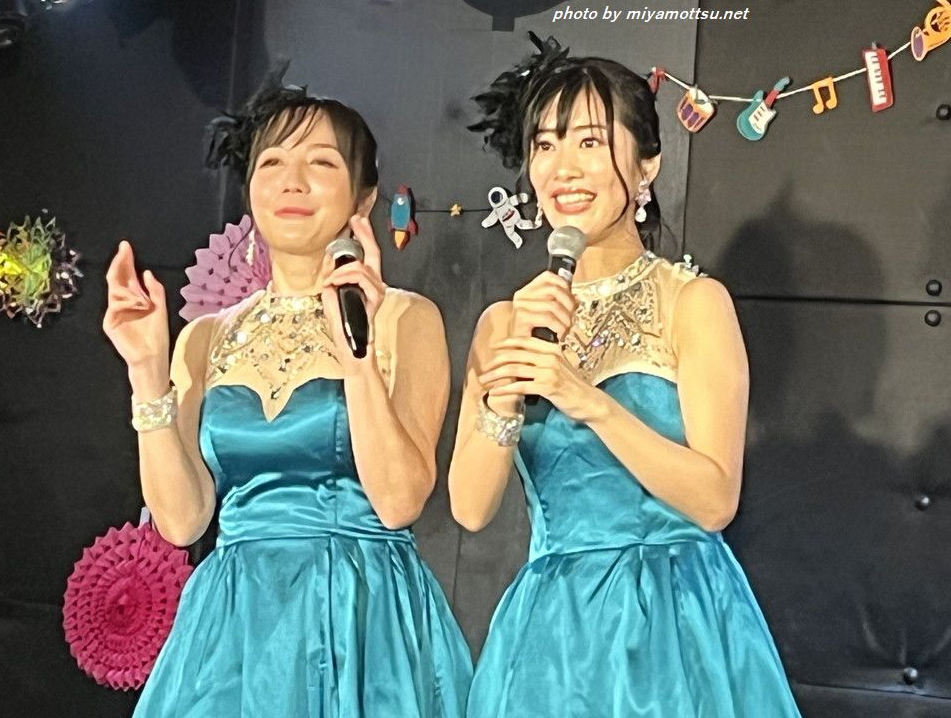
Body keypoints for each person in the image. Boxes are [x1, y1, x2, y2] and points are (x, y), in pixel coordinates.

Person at [450, 38, 802, 717]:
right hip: (552, 636)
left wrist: (585, 400)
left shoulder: (691, 303)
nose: (563, 167)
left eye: (590, 141)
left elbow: (714, 501)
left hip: (673, 623)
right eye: (545, 145)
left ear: (647, 166)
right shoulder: (506, 321)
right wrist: (506, 391)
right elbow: (469, 508)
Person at [102, 79, 472, 717]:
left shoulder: (405, 319)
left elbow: (398, 502)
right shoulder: (205, 337)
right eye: (271, 163)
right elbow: (183, 522)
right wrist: (146, 373)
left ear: (364, 196)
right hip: (236, 626)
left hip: (362, 616)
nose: (291, 182)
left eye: (321, 163)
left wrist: (356, 355)